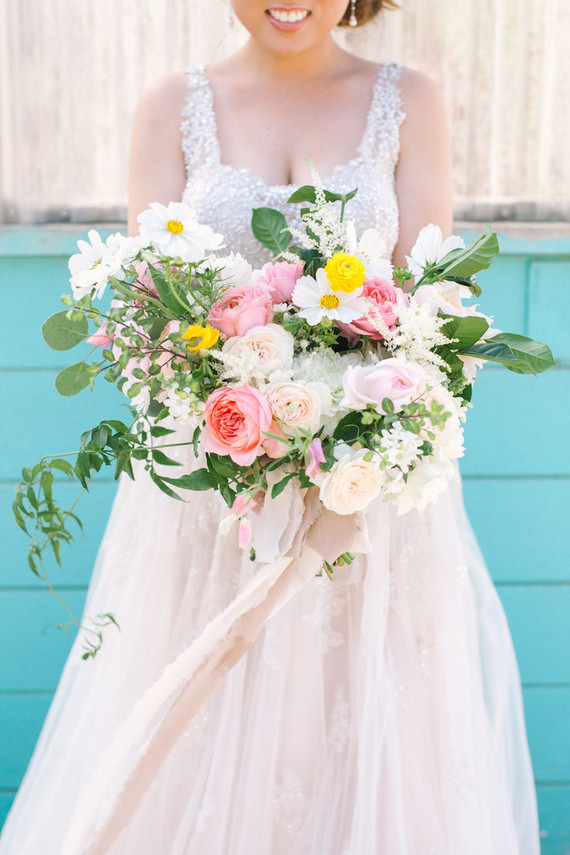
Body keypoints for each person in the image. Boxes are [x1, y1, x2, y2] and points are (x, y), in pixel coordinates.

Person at [0, 2, 540, 853]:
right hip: (211, 491)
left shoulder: (413, 102)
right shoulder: (169, 106)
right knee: (201, 712)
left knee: (363, 726)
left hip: (365, 488)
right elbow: (151, 319)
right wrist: (237, 410)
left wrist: (362, 430)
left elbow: (430, 300)